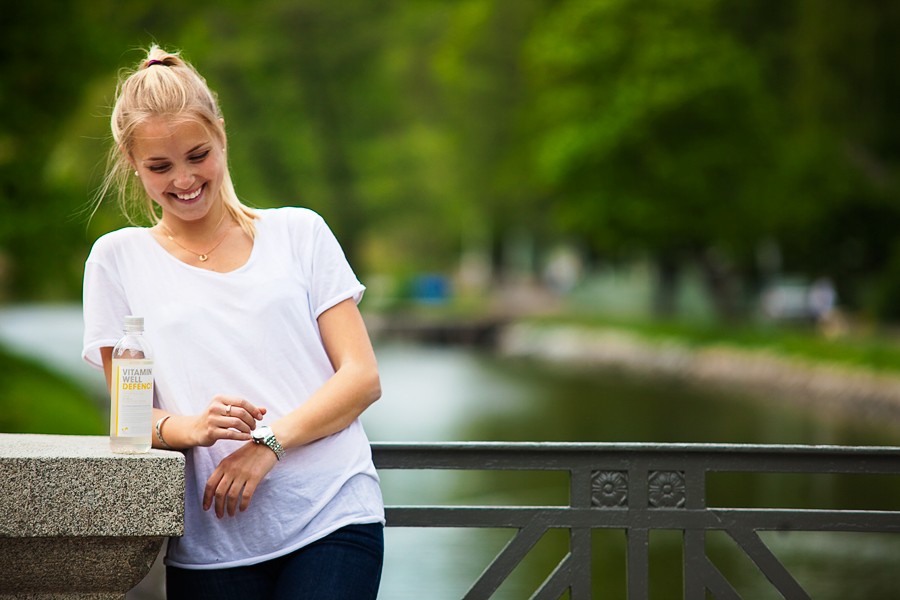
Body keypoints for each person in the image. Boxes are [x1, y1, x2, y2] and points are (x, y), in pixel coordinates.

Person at [81, 45, 385, 600]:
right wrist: (190, 428)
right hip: (211, 542)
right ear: (132, 162)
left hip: (330, 513)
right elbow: (130, 421)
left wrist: (268, 443)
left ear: (221, 133)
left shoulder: (300, 233)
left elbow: (362, 377)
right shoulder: (116, 259)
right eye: (160, 166)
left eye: (198, 155)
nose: (184, 179)